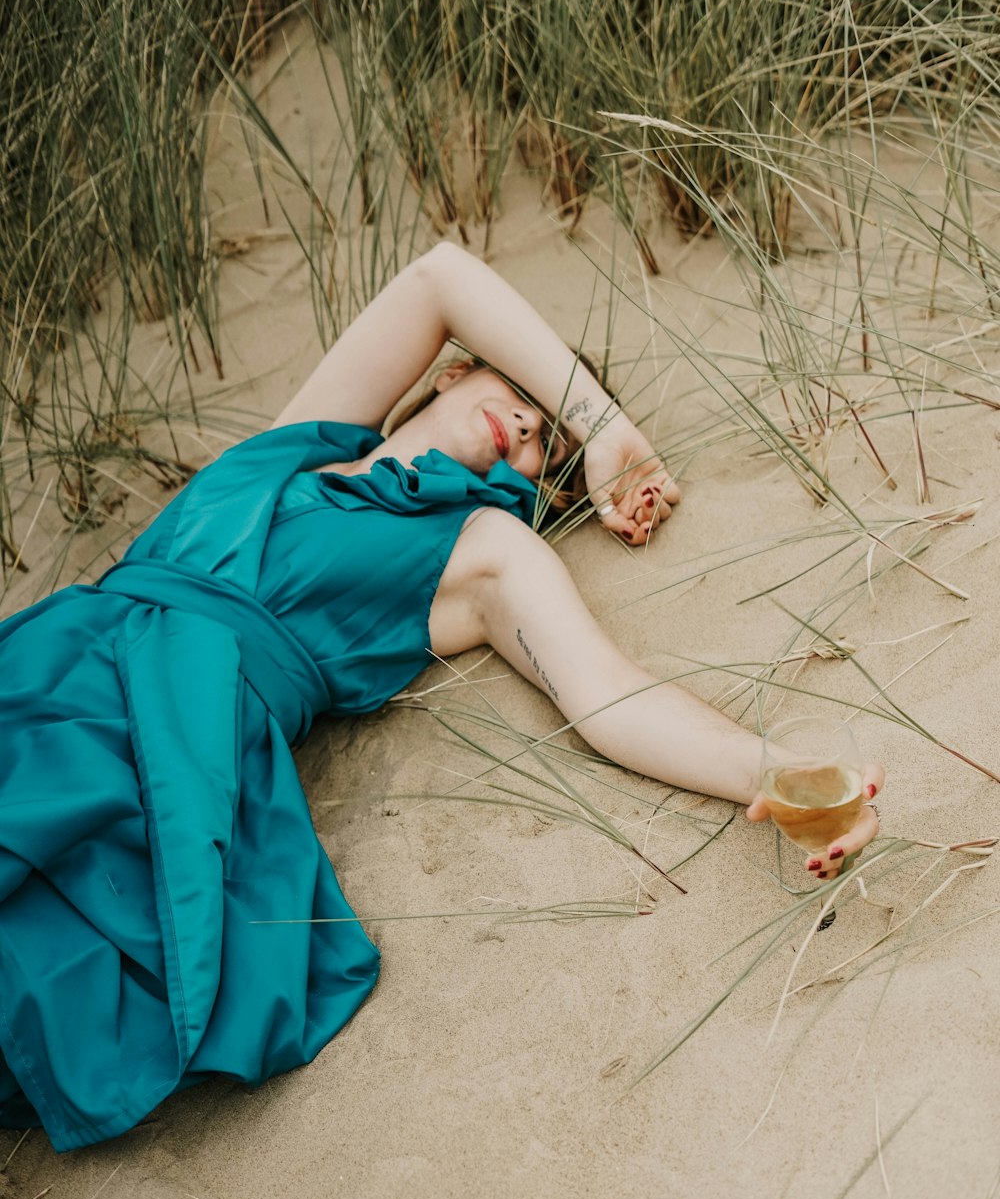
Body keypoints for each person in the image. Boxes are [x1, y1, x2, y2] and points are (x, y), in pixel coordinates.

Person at [0, 241, 883, 1153]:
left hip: (160, 743)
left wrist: (784, 774)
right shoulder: (301, 439)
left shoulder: (481, 547)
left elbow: (608, 695)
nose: (529, 433)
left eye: (549, 448)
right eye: (525, 400)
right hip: (44, 663)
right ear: (457, 366)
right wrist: (603, 421)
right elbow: (437, 277)